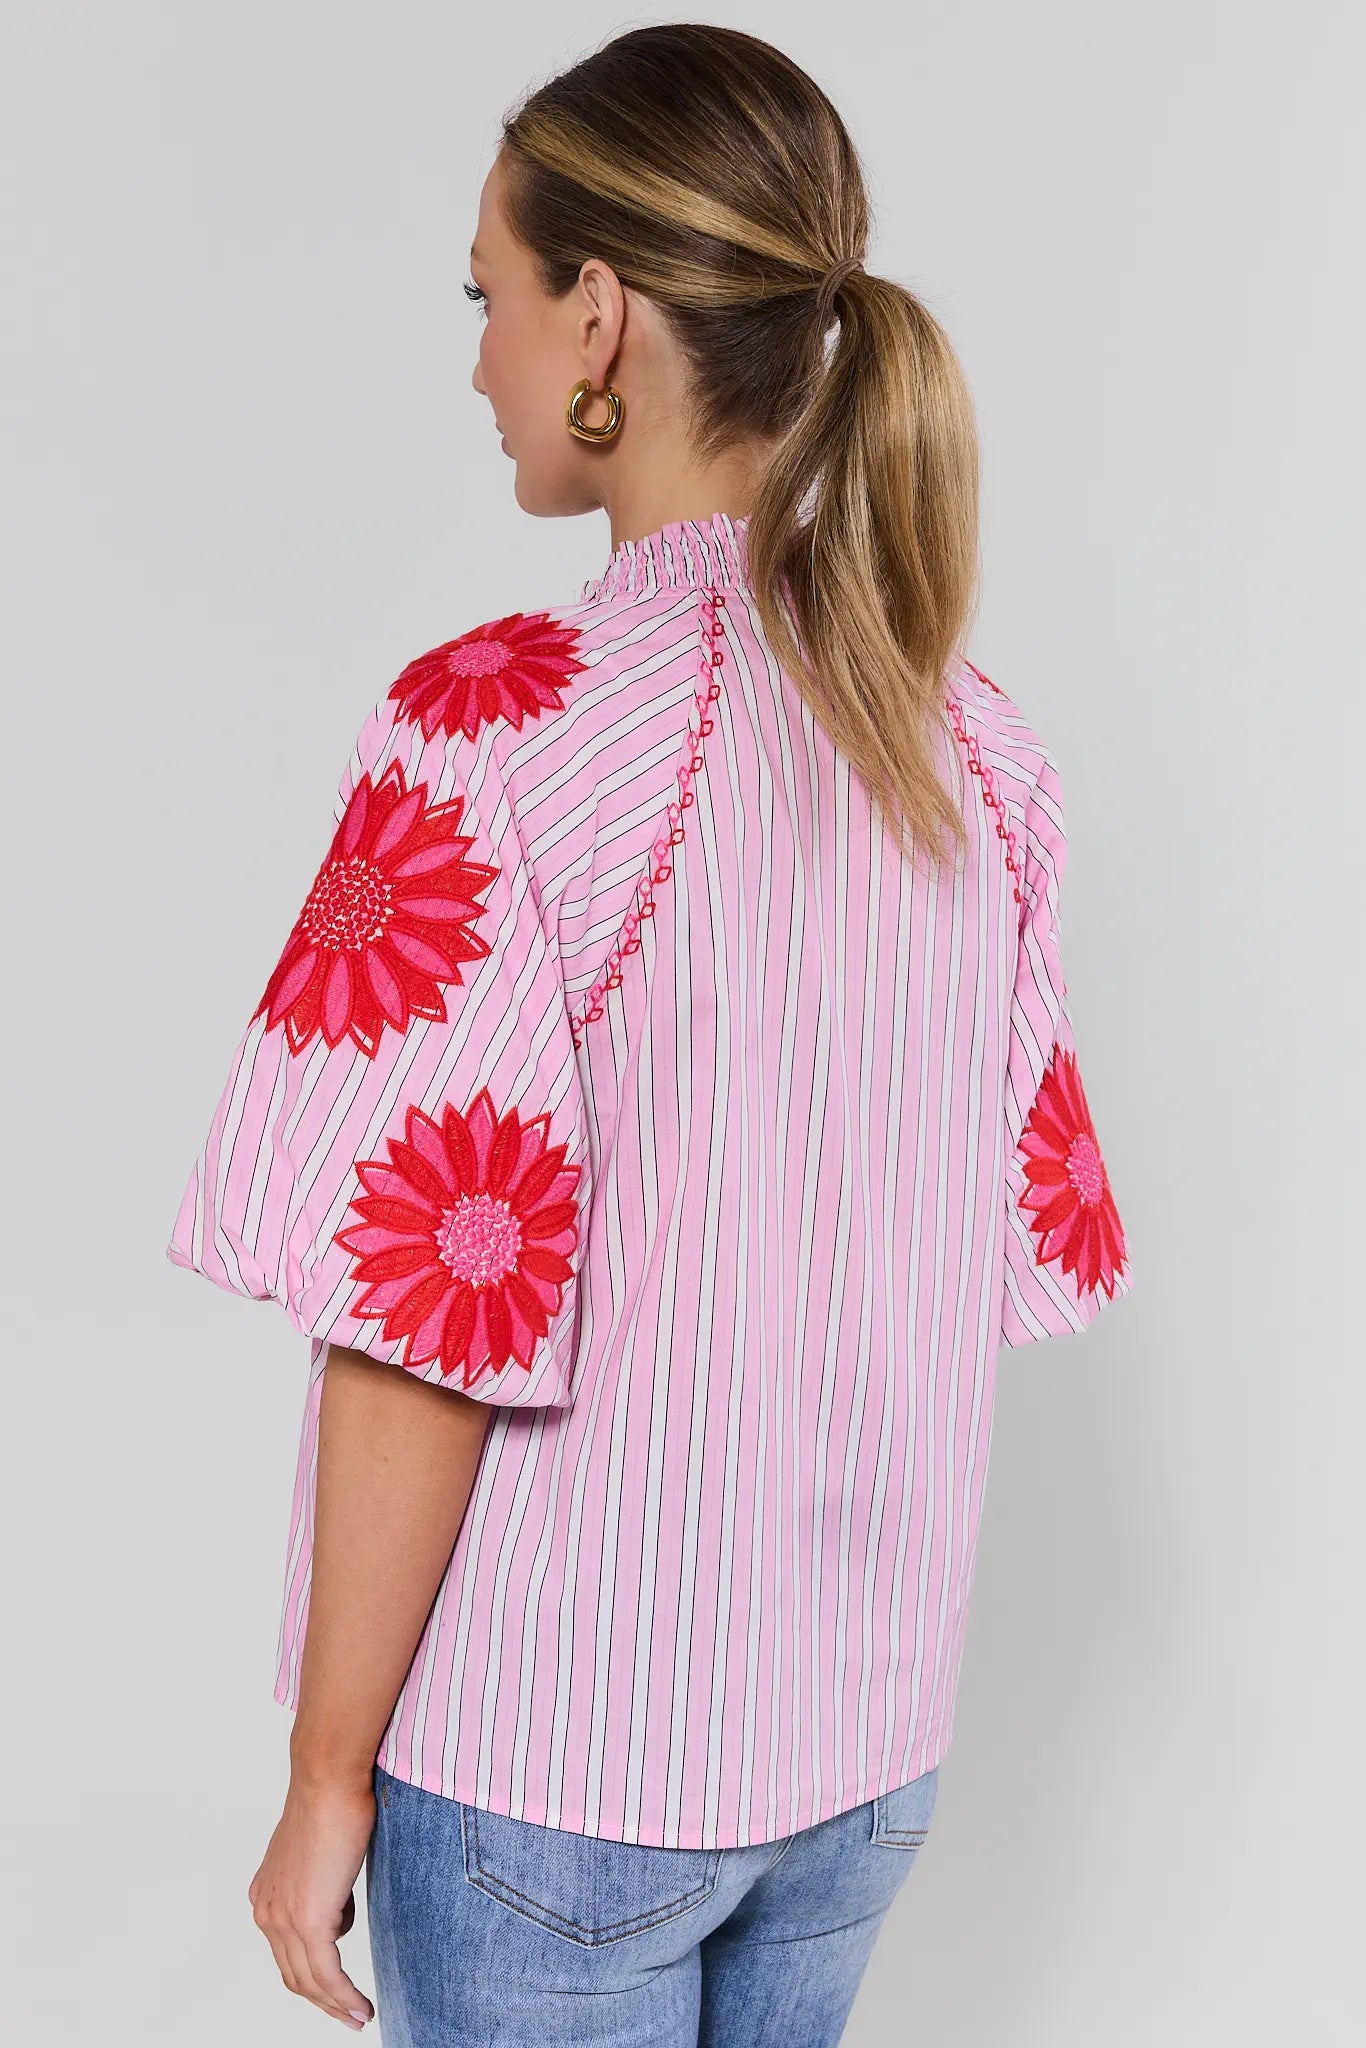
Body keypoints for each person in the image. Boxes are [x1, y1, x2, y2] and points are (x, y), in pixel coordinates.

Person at [165, 22, 1134, 2045]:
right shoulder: (976, 750)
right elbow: (976, 1252)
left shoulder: (498, 730)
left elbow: (422, 1313)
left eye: (488, 297)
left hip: (561, 1767)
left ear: (597, 314)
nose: (477, 361)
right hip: (859, 1766)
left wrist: (324, 1772)